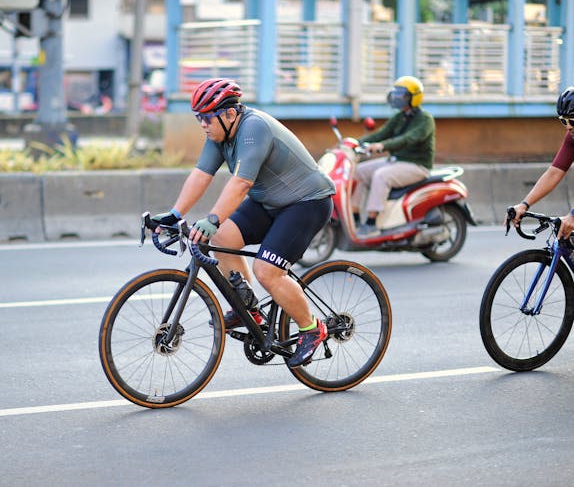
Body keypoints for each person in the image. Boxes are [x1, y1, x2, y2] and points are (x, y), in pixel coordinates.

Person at [151, 78, 336, 368]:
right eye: (198, 117)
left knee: (267, 271)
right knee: (222, 237)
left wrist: (212, 218)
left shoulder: (253, 128)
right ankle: (249, 309)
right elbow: (201, 174)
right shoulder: (219, 134)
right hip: (271, 201)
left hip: (306, 203)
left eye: (207, 117)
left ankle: (312, 328)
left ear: (229, 114)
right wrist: (175, 214)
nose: (202, 123)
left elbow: (241, 183)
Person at [352, 75, 435, 238]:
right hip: (397, 161)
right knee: (358, 171)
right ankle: (354, 218)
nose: (396, 97)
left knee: (381, 176)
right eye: (395, 93)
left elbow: (407, 139)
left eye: (401, 94)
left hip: (416, 166)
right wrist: (354, 143)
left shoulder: (425, 120)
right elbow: (381, 134)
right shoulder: (399, 117)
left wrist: (383, 146)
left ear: (414, 97)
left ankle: (371, 223)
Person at [507, 86, 574, 240]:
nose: (569, 126)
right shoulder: (572, 137)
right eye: (564, 121)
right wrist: (524, 204)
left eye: (573, 120)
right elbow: (554, 172)